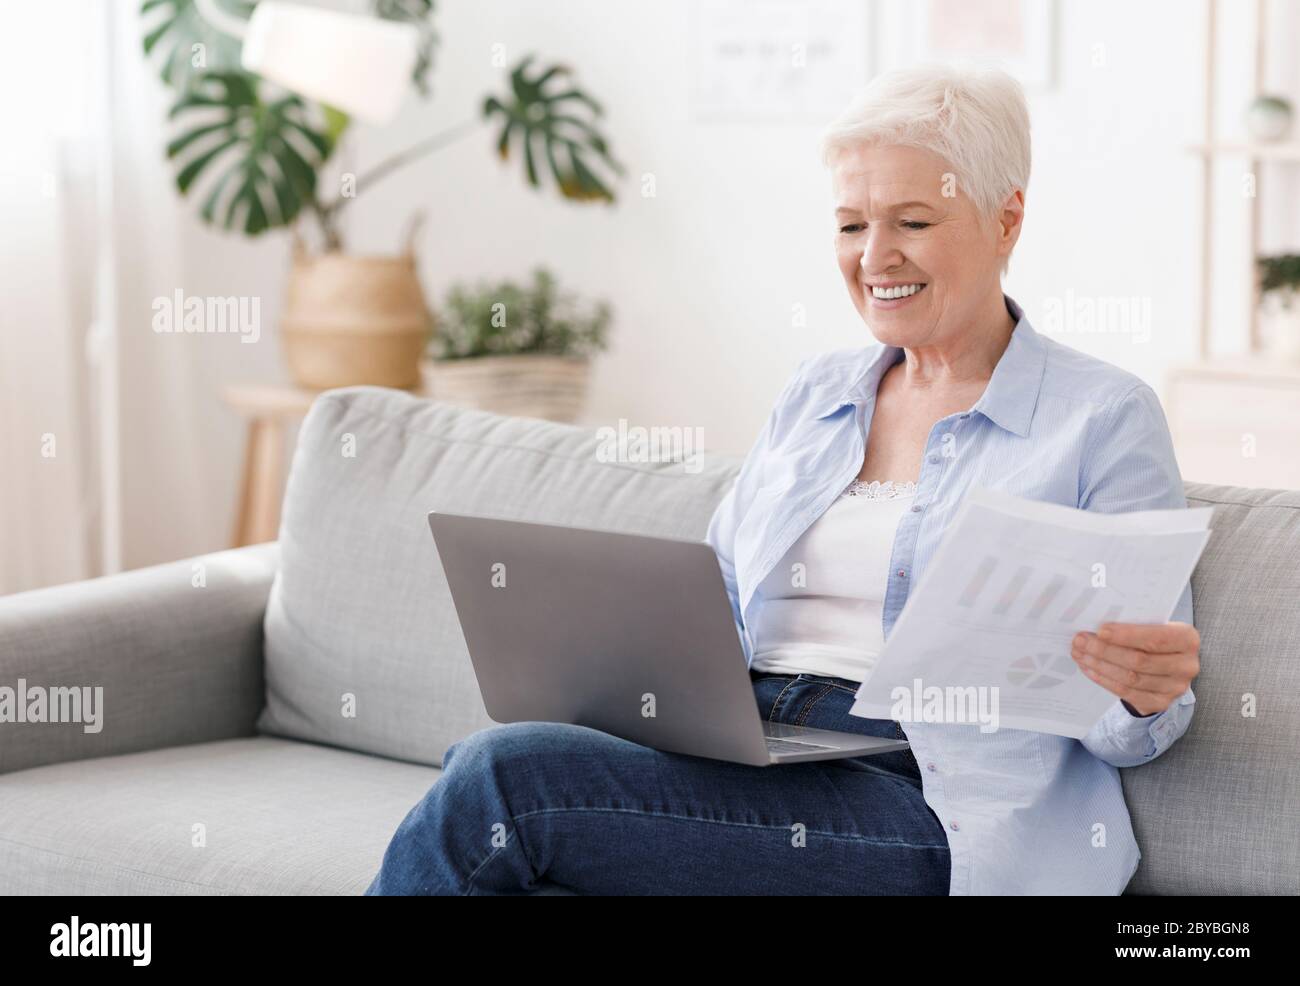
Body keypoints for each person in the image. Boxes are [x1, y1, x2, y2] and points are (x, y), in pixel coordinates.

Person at [365, 65, 1200, 896]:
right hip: (750, 751)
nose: (876, 257)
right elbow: (718, 597)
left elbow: (1143, 721)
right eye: (850, 225)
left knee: (504, 783)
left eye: (913, 219)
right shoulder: (817, 394)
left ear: (1006, 218)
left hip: (925, 802)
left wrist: (1139, 697)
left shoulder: (1100, 417)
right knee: (517, 805)